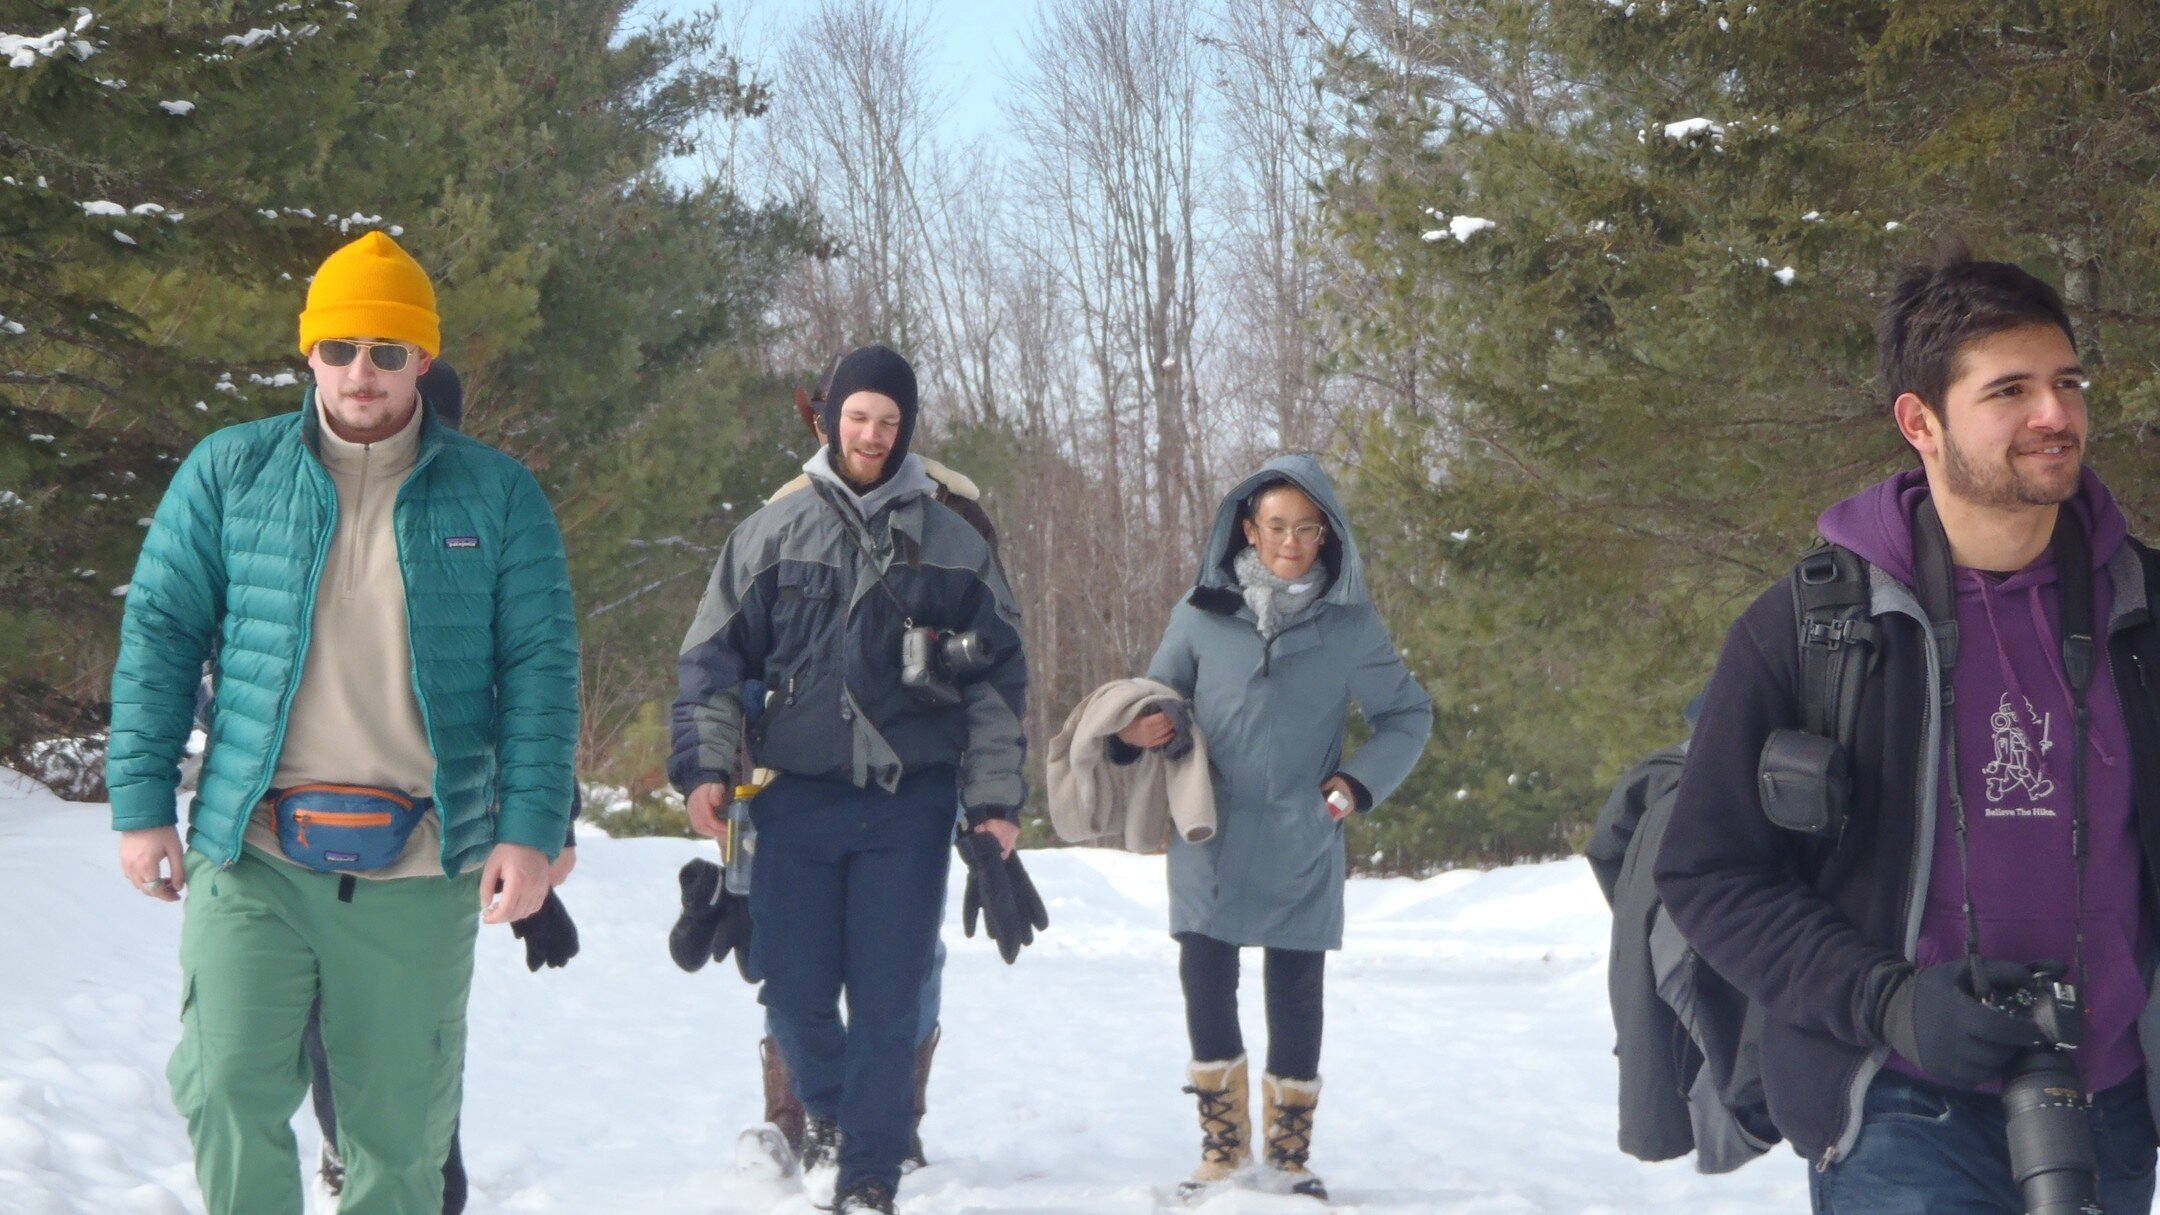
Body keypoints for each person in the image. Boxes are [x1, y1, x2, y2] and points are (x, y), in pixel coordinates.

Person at [1657, 248, 2160, 1213]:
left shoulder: (2143, 607)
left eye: (2067, 382)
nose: (2054, 414)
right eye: (2009, 390)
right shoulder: (1817, 628)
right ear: (1919, 421)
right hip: (1898, 1106)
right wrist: (1887, 1001)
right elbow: (1707, 872)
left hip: (2115, 1107)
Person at [107, 231, 579, 1214]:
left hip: (418, 864)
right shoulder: (229, 473)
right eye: (341, 348)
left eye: (389, 351)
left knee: (400, 1138)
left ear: (425, 361)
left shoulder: (497, 497)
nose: (362, 372)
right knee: (225, 1086)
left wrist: (533, 830)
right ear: (308, 352)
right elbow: (160, 631)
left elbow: (540, 671)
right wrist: (141, 801)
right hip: (258, 851)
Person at [669, 343, 1027, 1215]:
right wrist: (707, 768)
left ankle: (869, 1170)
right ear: (829, 418)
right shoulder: (768, 533)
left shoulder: (953, 541)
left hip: (911, 800)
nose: (872, 434)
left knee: (890, 990)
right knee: (790, 987)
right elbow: (710, 664)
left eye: (889, 421)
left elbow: (999, 683)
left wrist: (994, 802)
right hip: (794, 795)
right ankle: (832, 1111)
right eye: (858, 416)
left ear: (907, 430)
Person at [1115, 455, 1432, 1200]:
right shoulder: (1199, 613)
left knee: (1296, 990)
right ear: (1249, 530)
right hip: (1208, 831)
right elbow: (1158, 696)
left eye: (1306, 527)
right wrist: (1141, 726)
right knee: (1207, 979)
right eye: (1276, 525)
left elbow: (1408, 715)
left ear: (1326, 536)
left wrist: (1351, 788)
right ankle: (1221, 1151)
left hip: (1302, 834)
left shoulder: (1351, 625)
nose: (1290, 540)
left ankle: (1289, 1158)